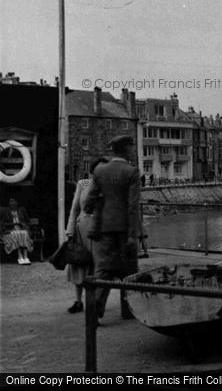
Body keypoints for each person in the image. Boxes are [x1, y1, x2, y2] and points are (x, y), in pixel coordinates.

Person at [85, 135, 140, 320]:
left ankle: (96, 306)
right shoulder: (131, 171)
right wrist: (133, 235)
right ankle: (128, 310)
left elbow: (89, 199)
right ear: (125, 149)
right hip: (125, 229)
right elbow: (133, 207)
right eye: (131, 148)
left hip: (105, 228)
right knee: (129, 269)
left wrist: (92, 209)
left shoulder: (100, 171)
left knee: (103, 269)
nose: (132, 151)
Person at [65, 157, 109, 313]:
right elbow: (74, 209)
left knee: (98, 267)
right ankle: (78, 301)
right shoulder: (82, 185)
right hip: (81, 230)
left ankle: (95, 303)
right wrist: (69, 231)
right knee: (79, 263)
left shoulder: (109, 187)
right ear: (92, 170)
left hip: (100, 231)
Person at [1, 198, 34, 265]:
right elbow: (1, 222)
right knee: (15, 234)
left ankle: (26, 257)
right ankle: (20, 257)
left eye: (15, 201)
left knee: (24, 233)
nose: (13, 203)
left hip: (21, 229)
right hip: (10, 231)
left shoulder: (21, 210)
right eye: (12, 201)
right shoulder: (5, 211)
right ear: (9, 203)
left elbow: (27, 220)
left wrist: (26, 225)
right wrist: (5, 228)